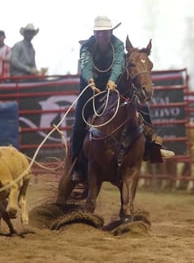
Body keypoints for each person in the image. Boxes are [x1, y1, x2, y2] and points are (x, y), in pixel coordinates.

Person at [70, 15, 173, 182]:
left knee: (141, 107)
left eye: (105, 32)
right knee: (79, 124)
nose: (102, 36)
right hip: (90, 88)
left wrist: (112, 80)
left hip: (113, 83)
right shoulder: (86, 47)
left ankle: (151, 146)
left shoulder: (118, 46)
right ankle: (77, 165)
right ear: (94, 34)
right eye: (99, 32)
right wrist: (90, 81)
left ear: (111, 32)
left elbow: (118, 64)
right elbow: (86, 66)